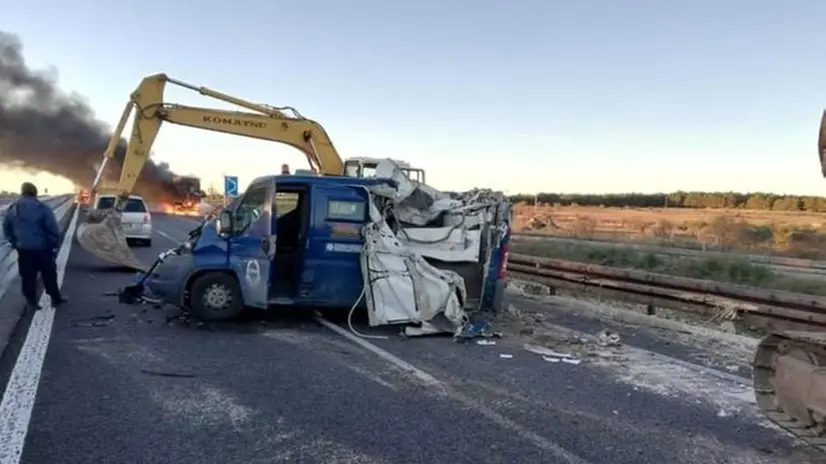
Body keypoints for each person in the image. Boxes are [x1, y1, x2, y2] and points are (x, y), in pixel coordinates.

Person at [2, 182, 68, 310]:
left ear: (22, 192)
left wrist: (14, 242)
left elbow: (6, 228)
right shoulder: (42, 208)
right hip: (43, 248)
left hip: (24, 250)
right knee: (49, 274)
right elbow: (52, 229)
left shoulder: (13, 209)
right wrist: (54, 244)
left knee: (27, 276)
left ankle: (31, 301)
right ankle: (55, 299)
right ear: (35, 192)